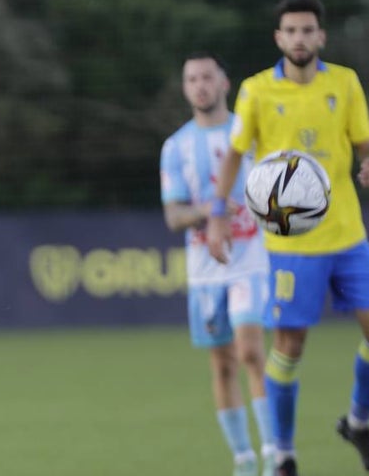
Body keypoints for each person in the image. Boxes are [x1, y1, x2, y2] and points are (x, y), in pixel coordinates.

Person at [207, 0, 369, 476]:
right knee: (289, 348)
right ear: (278, 38)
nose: (300, 38)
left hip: (347, 235)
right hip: (291, 245)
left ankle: (357, 421)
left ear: (320, 36)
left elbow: (366, 144)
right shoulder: (257, 91)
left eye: (308, 30)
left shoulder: (343, 82)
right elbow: (234, 152)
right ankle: (283, 453)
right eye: (291, 31)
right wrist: (218, 214)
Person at [160, 52, 275, 476]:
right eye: (192, 79)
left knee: (250, 352)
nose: (200, 85)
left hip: (250, 258)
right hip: (206, 268)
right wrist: (213, 212)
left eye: (207, 77)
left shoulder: (250, 137)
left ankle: (274, 453)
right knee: (222, 363)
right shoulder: (176, 147)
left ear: (225, 83)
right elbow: (174, 215)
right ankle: (243, 459)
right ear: (185, 87)